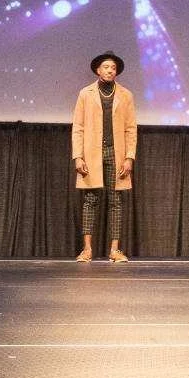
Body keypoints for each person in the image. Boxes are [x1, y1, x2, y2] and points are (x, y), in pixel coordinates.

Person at [72, 51, 137, 263]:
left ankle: (114, 250)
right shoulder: (86, 93)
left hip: (116, 153)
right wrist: (78, 156)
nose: (110, 71)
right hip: (92, 153)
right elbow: (78, 127)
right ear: (98, 70)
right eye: (106, 67)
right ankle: (87, 249)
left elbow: (131, 129)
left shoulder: (126, 95)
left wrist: (129, 157)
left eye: (113, 68)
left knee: (115, 200)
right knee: (90, 199)